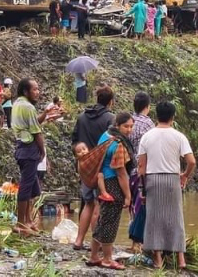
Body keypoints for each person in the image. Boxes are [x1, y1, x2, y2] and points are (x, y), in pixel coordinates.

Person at [138, 101, 196, 270]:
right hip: (172, 179)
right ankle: (181, 259)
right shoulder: (179, 136)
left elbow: (141, 168)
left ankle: (157, 259)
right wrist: (184, 175)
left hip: (153, 179)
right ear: (173, 117)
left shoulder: (147, 136)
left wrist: (142, 189)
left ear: (157, 116)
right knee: (176, 217)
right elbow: (191, 161)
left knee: (154, 218)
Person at [85, 112, 135, 270]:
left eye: (131, 126)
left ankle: (94, 256)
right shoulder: (118, 143)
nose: (129, 130)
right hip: (113, 183)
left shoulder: (105, 135)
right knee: (110, 223)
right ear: (118, 126)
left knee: (102, 221)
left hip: (102, 183)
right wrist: (128, 196)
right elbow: (121, 173)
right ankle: (107, 259)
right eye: (126, 126)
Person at [71, 86, 115, 251]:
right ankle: (96, 244)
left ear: (97, 98)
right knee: (98, 205)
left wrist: (81, 157)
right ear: (110, 101)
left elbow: (74, 140)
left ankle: (79, 240)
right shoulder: (110, 119)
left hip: (84, 167)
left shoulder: (82, 117)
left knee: (87, 203)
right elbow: (113, 143)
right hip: (101, 168)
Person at [12, 78, 49, 235]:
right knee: (26, 186)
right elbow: (36, 132)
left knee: (33, 186)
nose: (37, 92)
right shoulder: (28, 107)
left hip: (22, 146)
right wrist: (42, 151)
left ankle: (28, 220)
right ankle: (21, 223)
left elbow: (33, 124)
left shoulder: (17, 104)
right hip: (29, 149)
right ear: (26, 92)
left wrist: (46, 114)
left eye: (38, 89)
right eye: (34, 89)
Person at [128, 92, 154, 253]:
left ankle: (134, 242)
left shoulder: (128, 122)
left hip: (127, 170)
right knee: (141, 205)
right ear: (147, 107)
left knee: (132, 205)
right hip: (142, 170)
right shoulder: (148, 124)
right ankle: (139, 243)